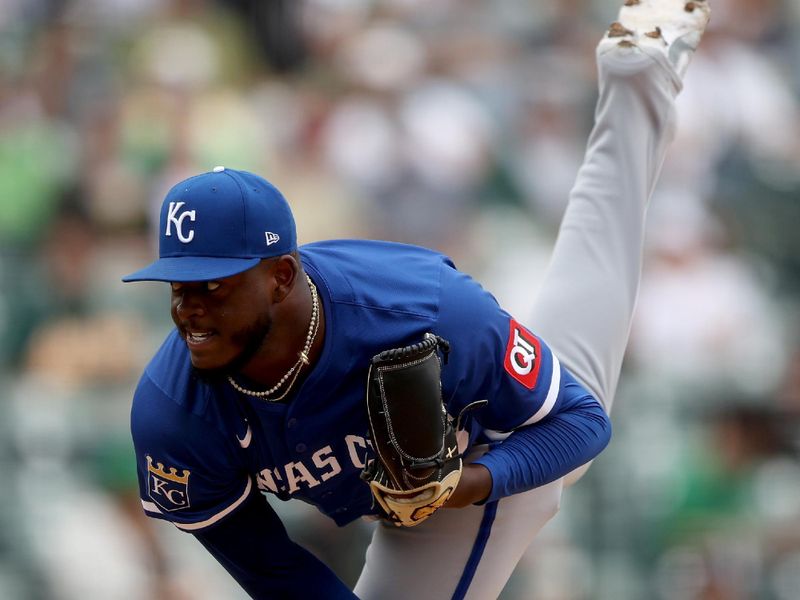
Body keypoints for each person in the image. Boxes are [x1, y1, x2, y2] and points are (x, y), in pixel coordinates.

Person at [122, 1, 711, 598]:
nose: (189, 307)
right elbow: (273, 570)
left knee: (575, 367)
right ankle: (640, 80)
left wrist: (468, 483)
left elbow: (580, 422)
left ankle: (641, 84)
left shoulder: (420, 310)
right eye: (179, 285)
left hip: (489, 454)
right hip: (424, 482)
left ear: (280, 276)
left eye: (214, 285)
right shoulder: (173, 410)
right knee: (584, 316)